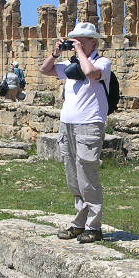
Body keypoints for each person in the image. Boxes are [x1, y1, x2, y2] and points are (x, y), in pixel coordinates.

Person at [40, 21, 112, 244]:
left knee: (88, 177)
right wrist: (55, 53)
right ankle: (79, 223)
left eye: (81, 40)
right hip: (67, 125)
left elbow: (91, 73)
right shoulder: (70, 65)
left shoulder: (103, 62)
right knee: (73, 178)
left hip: (89, 125)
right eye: (74, 40)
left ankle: (94, 227)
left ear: (94, 42)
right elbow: (45, 70)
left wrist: (79, 51)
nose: (76, 43)